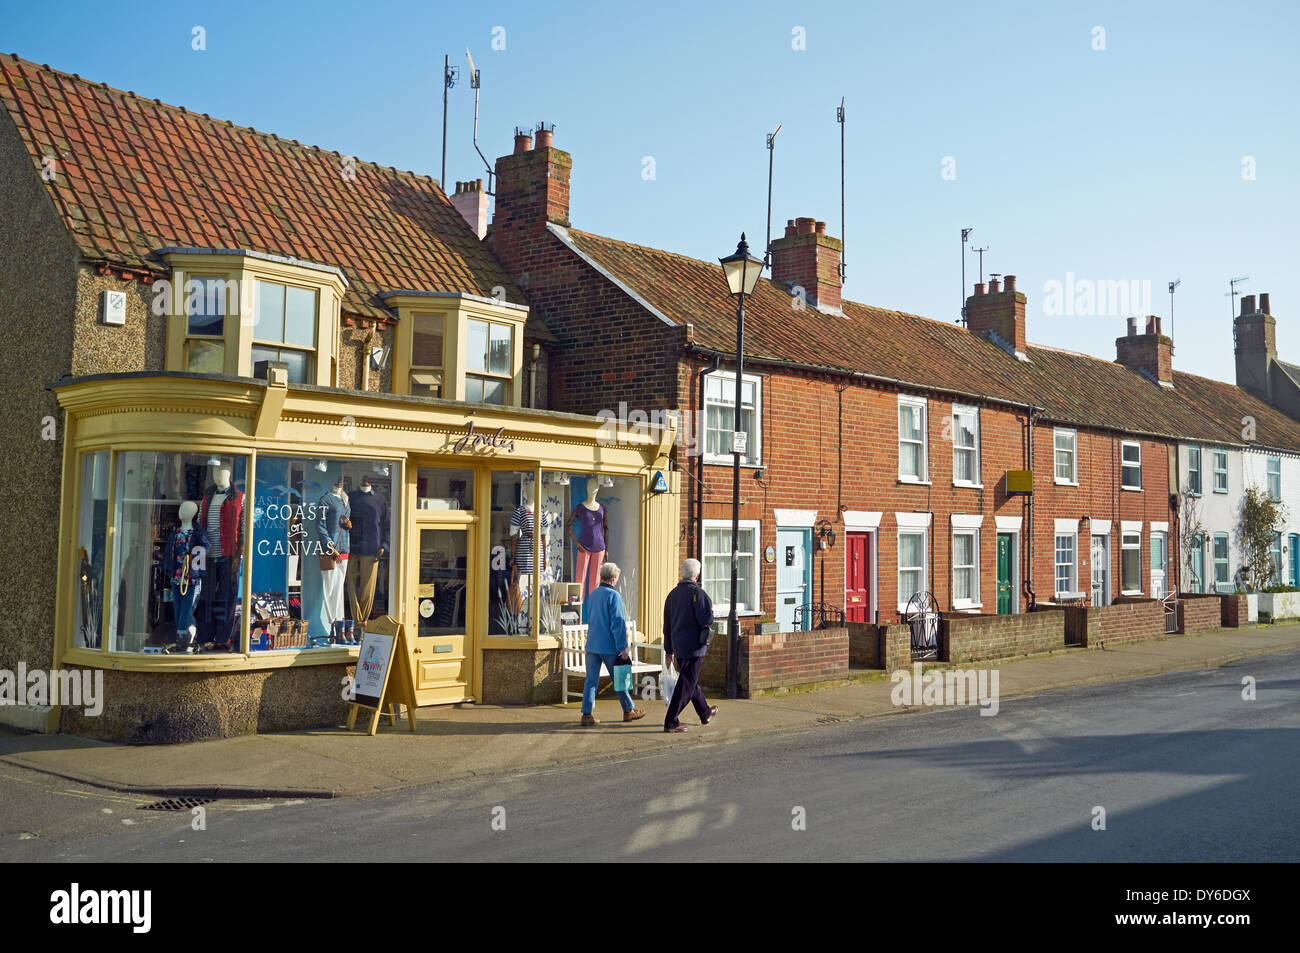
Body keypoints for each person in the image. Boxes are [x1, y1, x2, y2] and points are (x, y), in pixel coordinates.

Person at [580, 562, 645, 726]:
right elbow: (618, 623)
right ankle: (628, 710)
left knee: (591, 681)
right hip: (609, 646)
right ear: (614, 578)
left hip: (593, 644)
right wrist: (623, 647)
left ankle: (586, 714)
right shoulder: (613, 596)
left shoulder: (593, 594)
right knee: (620, 678)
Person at [662, 558, 718, 733]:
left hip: (678, 646)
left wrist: (669, 649)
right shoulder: (698, 594)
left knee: (690, 681)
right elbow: (706, 620)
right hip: (694, 647)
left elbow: (667, 625)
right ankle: (671, 721)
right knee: (686, 684)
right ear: (697, 575)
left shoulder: (672, 595)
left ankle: (705, 712)